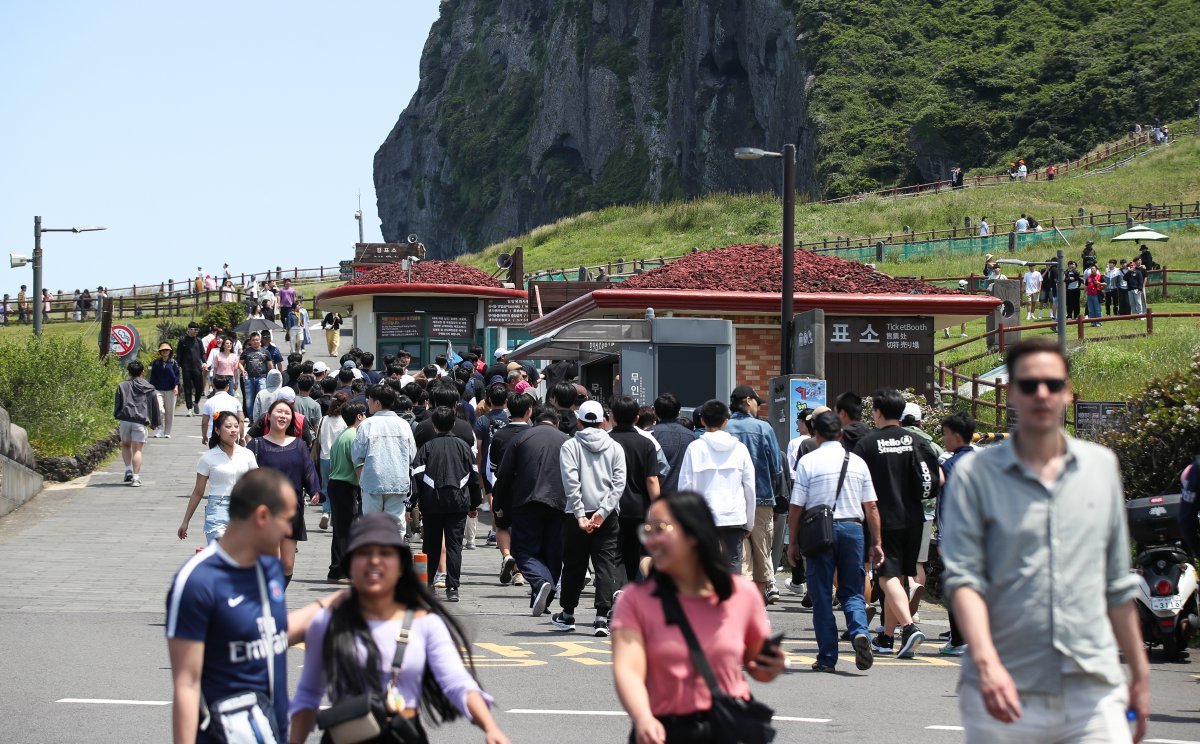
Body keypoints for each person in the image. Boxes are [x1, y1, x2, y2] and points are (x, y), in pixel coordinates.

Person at [941, 338, 1149, 742]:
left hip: (1092, 684)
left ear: (1068, 391)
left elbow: (1116, 582)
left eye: (1052, 384)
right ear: (1012, 391)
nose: (1042, 393)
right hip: (1004, 684)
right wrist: (985, 662)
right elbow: (964, 580)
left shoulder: (1100, 467)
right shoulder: (975, 475)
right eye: (1029, 383)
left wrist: (1139, 675)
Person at [288, 512, 510, 744]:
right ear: (350, 564)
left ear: (401, 566)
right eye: (364, 553)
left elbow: (457, 683)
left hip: (404, 736)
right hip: (344, 735)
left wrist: (490, 727)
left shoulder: (425, 624)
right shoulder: (327, 622)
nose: (374, 560)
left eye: (385, 553)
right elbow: (308, 696)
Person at [166, 468, 339, 744]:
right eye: (286, 519)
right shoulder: (197, 581)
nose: (288, 530)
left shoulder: (269, 568)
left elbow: (274, 633)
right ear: (261, 516)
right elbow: (186, 685)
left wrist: (340, 602)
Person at [611, 491, 785, 744]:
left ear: (693, 534)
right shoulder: (635, 600)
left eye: (661, 529)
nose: (651, 541)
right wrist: (643, 718)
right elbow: (628, 668)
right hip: (663, 730)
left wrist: (773, 666)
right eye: (648, 530)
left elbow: (758, 667)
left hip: (726, 728)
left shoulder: (742, 594)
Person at [788, 411, 883, 672]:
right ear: (840, 433)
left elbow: (796, 506)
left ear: (815, 433)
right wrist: (876, 542)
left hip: (819, 532)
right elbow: (871, 506)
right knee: (852, 590)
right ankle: (859, 631)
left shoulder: (808, 462)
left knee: (821, 594)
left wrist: (792, 542)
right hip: (853, 528)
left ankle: (827, 657)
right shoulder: (857, 462)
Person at [852, 388, 941, 658]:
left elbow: (856, 483)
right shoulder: (916, 441)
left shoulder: (867, 444)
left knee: (886, 577)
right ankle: (887, 638)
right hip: (914, 517)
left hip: (883, 519)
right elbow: (934, 479)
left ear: (877, 412)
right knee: (900, 576)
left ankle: (909, 627)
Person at [556, 399, 627, 636]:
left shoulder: (570, 446)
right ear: (602, 421)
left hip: (576, 515)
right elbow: (618, 484)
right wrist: (603, 512)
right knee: (605, 564)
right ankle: (601, 618)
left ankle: (568, 614)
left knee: (574, 564)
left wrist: (579, 514)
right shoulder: (615, 447)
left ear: (579, 421)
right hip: (606, 516)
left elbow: (570, 482)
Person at [496, 406, 570, 616]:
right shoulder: (566, 439)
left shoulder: (521, 438)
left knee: (524, 551)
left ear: (535, 420)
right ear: (555, 423)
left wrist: (499, 504)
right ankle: (543, 599)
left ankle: (540, 582)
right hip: (560, 503)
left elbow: (505, 474)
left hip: (527, 501)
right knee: (553, 552)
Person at [247, 399, 321, 587]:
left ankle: (272, 597)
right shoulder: (256, 445)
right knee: (272, 561)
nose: (283, 416)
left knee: (287, 566)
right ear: (268, 416)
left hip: (292, 511)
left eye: (287, 413)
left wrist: (315, 490)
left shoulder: (299, 445)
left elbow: (309, 470)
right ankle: (268, 602)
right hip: (265, 511)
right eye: (279, 412)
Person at [413, 406, 482, 602]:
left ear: (434, 425)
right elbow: (474, 478)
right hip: (458, 503)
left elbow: (416, 475)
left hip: (432, 503)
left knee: (431, 544)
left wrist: (412, 502)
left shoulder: (427, 447)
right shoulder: (464, 447)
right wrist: (474, 504)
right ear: (453, 423)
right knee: (454, 546)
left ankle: (427, 585)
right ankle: (453, 588)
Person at [677, 400, 756, 572]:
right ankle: (731, 599)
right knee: (733, 563)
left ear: (703, 420)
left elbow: (685, 487)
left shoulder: (695, 448)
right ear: (726, 421)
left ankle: (707, 598)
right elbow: (750, 488)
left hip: (703, 517)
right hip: (733, 515)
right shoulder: (740, 449)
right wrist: (749, 522)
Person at [724, 385, 783, 604]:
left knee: (740, 556)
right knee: (761, 556)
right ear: (748, 401)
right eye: (757, 402)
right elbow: (776, 467)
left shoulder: (724, 427)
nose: (758, 407)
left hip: (731, 501)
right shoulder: (762, 428)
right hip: (761, 498)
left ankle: (741, 607)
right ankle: (756, 610)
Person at [178, 411, 258, 544]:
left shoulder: (247, 454)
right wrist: (185, 521)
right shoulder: (208, 458)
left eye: (236, 426)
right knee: (219, 556)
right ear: (217, 430)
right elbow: (198, 492)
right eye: (228, 426)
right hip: (217, 509)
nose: (233, 430)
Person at [608, 395, 662, 583]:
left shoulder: (606, 442)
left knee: (615, 553)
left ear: (612, 416)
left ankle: (617, 590)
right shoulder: (646, 443)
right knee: (636, 552)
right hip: (640, 507)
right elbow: (652, 480)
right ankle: (630, 589)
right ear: (637, 418)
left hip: (611, 507)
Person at [936, 411, 977, 657]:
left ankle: (959, 639)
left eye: (946, 434)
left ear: (956, 436)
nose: (944, 439)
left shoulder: (949, 466)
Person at [353, 383, 417, 524]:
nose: (367, 403)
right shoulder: (404, 425)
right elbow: (412, 455)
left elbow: (357, 455)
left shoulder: (367, 424)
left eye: (369, 399)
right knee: (396, 524)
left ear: (377, 403)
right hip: (398, 482)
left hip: (372, 481)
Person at [325, 400, 364, 583]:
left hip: (336, 485)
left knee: (341, 530)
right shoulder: (354, 436)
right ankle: (341, 571)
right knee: (346, 531)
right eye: (363, 414)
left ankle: (336, 570)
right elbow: (358, 465)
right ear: (358, 416)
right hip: (346, 486)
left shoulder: (343, 435)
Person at [114, 360, 161, 487]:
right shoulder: (149, 387)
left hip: (125, 419)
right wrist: (155, 422)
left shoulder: (122, 386)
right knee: (137, 450)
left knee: (126, 445)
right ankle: (136, 477)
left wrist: (117, 415)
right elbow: (154, 406)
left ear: (128, 372)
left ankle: (128, 470)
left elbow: (117, 403)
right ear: (142, 372)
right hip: (140, 421)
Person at [650, 393, 693, 495]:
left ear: (655, 413)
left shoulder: (649, 435)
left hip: (656, 496)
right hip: (683, 498)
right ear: (679, 413)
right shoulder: (691, 436)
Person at [200, 375, 244, 446]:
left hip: (214, 434)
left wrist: (204, 436)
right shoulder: (235, 401)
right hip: (232, 435)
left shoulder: (209, 402)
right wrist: (241, 437)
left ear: (213, 386)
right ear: (228, 387)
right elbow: (241, 420)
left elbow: (204, 423)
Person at [150, 342, 182, 438]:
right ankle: (160, 429)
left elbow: (177, 376)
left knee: (169, 412)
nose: (165, 352)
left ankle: (167, 432)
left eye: (167, 350)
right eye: (163, 350)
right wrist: (151, 388)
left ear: (170, 351)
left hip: (171, 390)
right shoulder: (156, 363)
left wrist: (176, 386)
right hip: (158, 389)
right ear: (160, 352)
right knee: (160, 409)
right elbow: (153, 377)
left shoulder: (173, 362)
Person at [177, 322, 208, 416]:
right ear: (189, 329)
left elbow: (202, 353)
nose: (196, 332)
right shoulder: (182, 340)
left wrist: (205, 363)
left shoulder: (198, 340)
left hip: (197, 367)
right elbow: (179, 354)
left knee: (200, 388)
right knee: (188, 389)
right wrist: (178, 366)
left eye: (197, 330)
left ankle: (196, 403)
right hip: (186, 368)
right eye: (194, 330)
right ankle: (189, 409)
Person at [240, 333, 273, 414]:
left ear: (260, 341)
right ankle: (251, 418)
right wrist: (242, 370)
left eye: (257, 340)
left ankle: (261, 417)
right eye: (253, 340)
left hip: (262, 378)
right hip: (249, 378)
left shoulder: (265, 352)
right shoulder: (246, 352)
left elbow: (270, 365)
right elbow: (240, 363)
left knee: (262, 398)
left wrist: (271, 376)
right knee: (249, 399)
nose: (255, 342)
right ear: (250, 341)